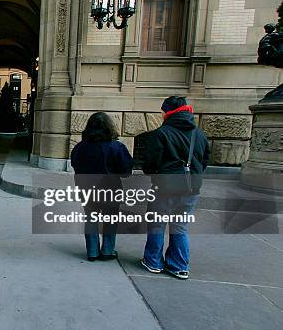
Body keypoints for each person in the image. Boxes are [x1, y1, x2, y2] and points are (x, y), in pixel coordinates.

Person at [140, 96, 210, 280]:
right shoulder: (199, 134)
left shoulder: (161, 133)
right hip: (191, 188)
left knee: (157, 224)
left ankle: (153, 261)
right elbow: (204, 162)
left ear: (168, 112)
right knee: (180, 226)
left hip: (164, 187)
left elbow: (149, 163)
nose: (161, 114)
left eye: (162, 110)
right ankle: (178, 266)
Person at [70, 112, 134, 261]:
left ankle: (92, 251)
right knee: (110, 219)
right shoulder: (117, 147)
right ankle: (107, 250)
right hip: (110, 188)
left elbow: (75, 165)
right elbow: (126, 171)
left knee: (91, 218)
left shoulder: (80, 147)